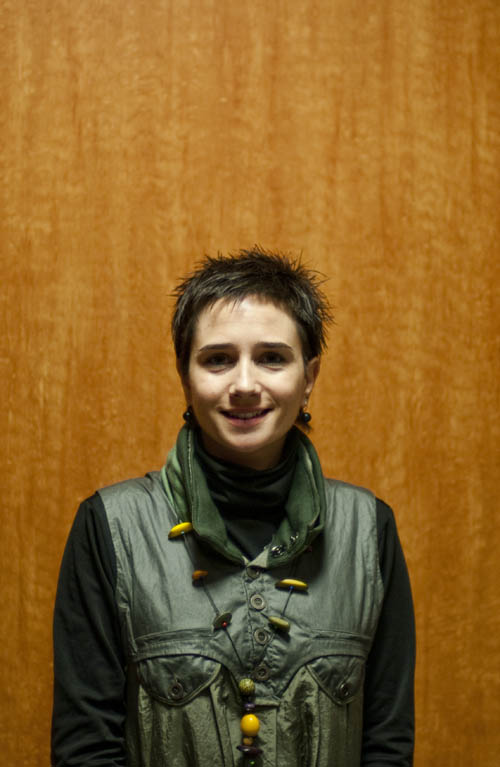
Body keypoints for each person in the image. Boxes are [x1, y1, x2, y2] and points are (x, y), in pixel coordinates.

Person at [51, 248, 415, 767]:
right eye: (218, 359)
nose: (245, 385)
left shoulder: (368, 530)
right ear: (185, 376)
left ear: (309, 377)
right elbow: (86, 748)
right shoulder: (110, 527)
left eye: (272, 358)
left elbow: (387, 744)